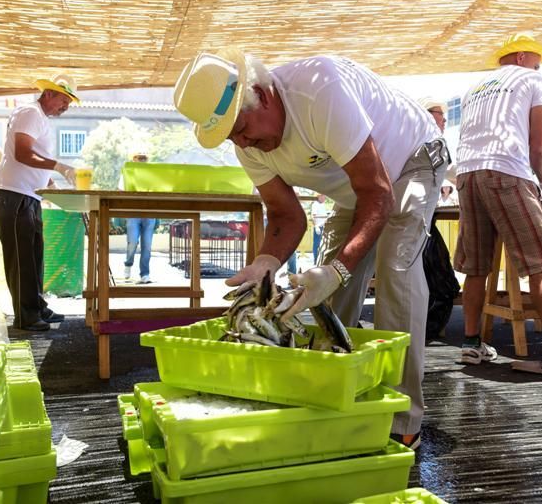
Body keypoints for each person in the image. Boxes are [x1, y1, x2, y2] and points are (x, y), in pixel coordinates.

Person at [173, 47, 448, 449]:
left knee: (396, 268)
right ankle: (334, 390)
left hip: (413, 157)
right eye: (232, 136)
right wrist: (266, 261)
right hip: (359, 185)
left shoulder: (321, 90)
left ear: (262, 95)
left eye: (243, 128)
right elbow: (286, 217)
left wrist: (339, 269)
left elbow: (378, 193)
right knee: (323, 292)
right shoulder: (247, 143)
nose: (244, 142)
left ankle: (400, 417)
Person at [453, 33, 542, 376]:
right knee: (541, 263)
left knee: (475, 267)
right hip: (506, 171)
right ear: (520, 57)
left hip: (468, 174)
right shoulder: (532, 79)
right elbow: (538, 145)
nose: (540, 65)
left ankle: (471, 345)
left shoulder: (473, 89)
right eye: (537, 59)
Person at [0, 75, 79, 331]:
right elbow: (22, 152)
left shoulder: (40, 119)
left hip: (28, 195)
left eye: (69, 102)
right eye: (64, 100)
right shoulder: (29, 112)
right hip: (12, 195)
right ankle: (25, 316)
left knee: (34, 256)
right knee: (22, 259)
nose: (66, 107)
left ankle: (36, 307)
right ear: (48, 94)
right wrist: (60, 166)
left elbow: (35, 158)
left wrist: (51, 185)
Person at [123, 152, 158, 283]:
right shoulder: (127, 174)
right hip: (133, 213)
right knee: (132, 242)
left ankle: (145, 273)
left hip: (149, 213)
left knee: (147, 246)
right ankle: (128, 264)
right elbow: (120, 190)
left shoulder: (152, 176)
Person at [310, 194, 328, 263]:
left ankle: (320, 260)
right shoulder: (315, 204)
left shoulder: (322, 205)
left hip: (323, 226)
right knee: (317, 244)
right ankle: (316, 260)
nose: (325, 197)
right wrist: (316, 226)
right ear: (319, 196)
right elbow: (313, 216)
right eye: (323, 196)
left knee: (321, 244)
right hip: (318, 227)